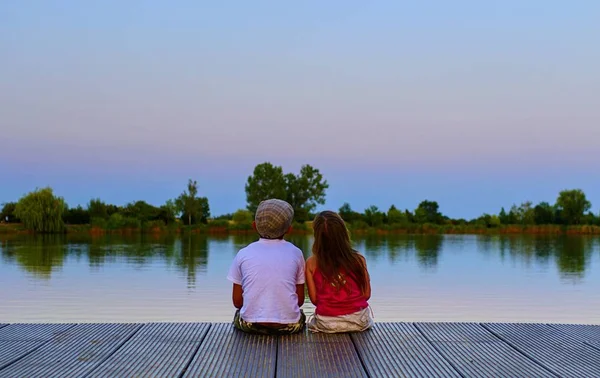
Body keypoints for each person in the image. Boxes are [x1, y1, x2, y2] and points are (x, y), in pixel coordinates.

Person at [227, 199, 306, 334]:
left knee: (238, 314)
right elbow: (299, 300)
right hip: (289, 326)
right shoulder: (296, 253)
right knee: (302, 315)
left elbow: (237, 302)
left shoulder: (243, 254)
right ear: (289, 229)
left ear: (254, 226)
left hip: (250, 325)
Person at [305, 210, 373, 333]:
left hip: (327, 322)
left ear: (317, 237)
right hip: (359, 321)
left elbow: (315, 300)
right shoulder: (359, 260)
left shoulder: (311, 263)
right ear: (343, 233)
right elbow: (366, 295)